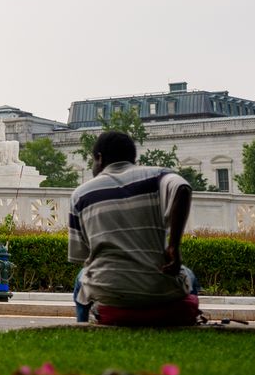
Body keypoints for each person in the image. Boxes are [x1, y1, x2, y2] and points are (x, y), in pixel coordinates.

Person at [68, 131, 198, 325]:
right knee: (190, 276)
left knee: (81, 277)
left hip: (109, 293)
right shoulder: (157, 176)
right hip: (161, 289)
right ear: (132, 157)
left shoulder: (80, 195)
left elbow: (81, 257)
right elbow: (182, 188)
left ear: (99, 158)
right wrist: (173, 247)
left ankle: (82, 327)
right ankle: (187, 324)